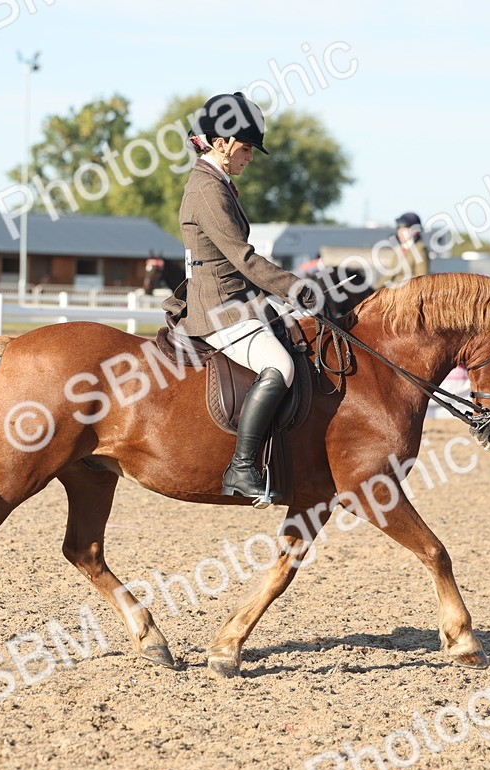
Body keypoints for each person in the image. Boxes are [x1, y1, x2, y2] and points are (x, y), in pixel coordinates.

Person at [162, 91, 315, 504]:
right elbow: (244, 259)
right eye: (246, 149)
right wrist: (297, 289)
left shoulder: (217, 182)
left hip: (236, 300)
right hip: (219, 310)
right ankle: (242, 468)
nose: (249, 158)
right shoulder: (207, 189)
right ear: (223, 142)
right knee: (279, 364)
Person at [394, 211, 430, 279]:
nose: (399, 233)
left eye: (404, 230)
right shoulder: (399, 248)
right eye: (399, 229)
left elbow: (421, 278)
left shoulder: (419, 249)